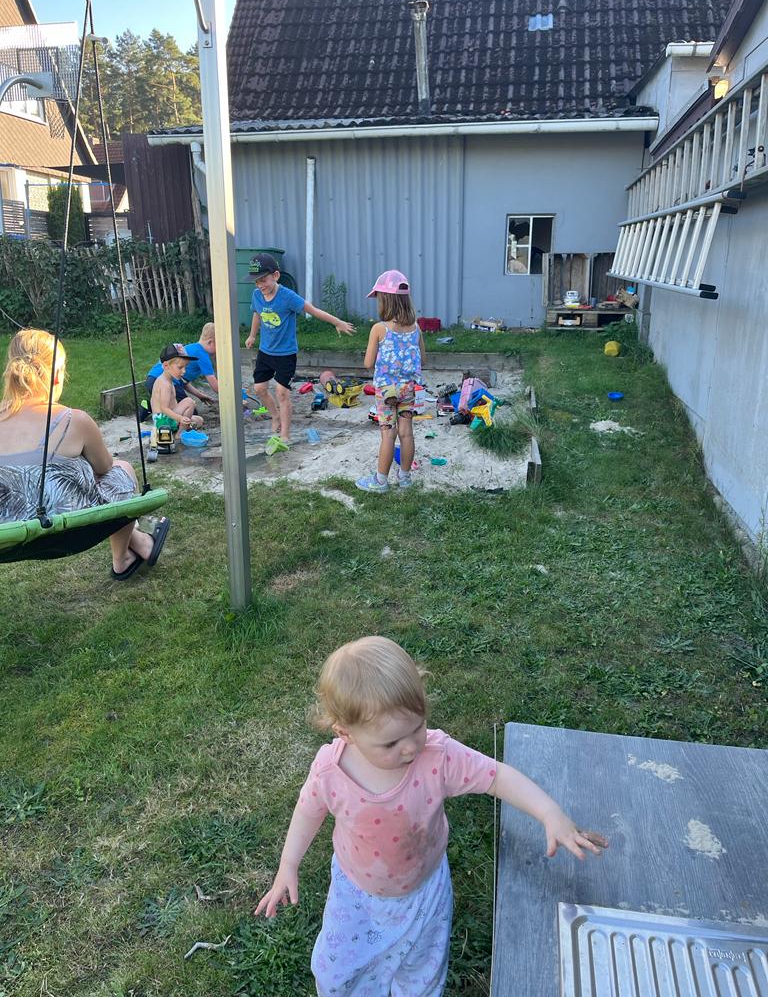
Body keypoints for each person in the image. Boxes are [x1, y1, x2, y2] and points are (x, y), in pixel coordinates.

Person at [254, 636, 608, 996]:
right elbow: (308, 811)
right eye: (391, 743)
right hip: (356, 896)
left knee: (421, 972)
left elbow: (496, 777)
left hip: (424, 891)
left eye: (417, 727)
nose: (410, 747)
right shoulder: (332, 773)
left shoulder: (438, 758)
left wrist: (550, 812)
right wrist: (288, 865)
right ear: (346, 733)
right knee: (339, 972)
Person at [0, 329, 169, 580]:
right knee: (122, 469)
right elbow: (104, 467)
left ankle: (138, 542)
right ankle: (122, 558)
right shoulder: (73, 420)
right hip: (67, 531)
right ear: (57, 375)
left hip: (8, 536)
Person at [244, 252, 356, 455]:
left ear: (275, 276)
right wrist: (252, 335)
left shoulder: (288, 297)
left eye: (264, 280)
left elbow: (312, 310)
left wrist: (337, 322)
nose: (260, 285)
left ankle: (285, 435)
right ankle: (275, 416)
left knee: (282, 392)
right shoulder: (257, 295)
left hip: (285, 354)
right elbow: (257, 314)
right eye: (256, 281)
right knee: (259, 388)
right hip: (265, 351)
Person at [356, 270, 425, 493]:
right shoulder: (416, 328)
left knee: (388, 433)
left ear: (385, 300)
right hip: (408, 389)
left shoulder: (379, 329)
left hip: (386, 391)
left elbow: (368, 363)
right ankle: (405, 478)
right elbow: (423, 359)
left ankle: (380, 481)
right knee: (406, 432)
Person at [142, 322, 218, 417]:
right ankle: (151, 408)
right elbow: (216, 387)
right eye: (219, 345)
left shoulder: (192, 348)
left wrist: (200, 395)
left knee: (170, 404)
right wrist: (232, 395)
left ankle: (150, 406)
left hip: (152, 378)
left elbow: (184, 382)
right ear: (210, 342)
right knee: (190, 412)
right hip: (162, 380)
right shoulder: (202, 355)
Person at [149, 343, 205, 433]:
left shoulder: (166, 380)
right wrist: (180, 418)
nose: (184, 371)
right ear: (166, 366)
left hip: (165, 419)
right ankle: (180, 433)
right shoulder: (165, 384)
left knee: (199, 420)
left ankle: (180, 428)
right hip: (163, 422)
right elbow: (164, 408)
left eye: (185, 367)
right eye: (180, 367)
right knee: (189, 402)